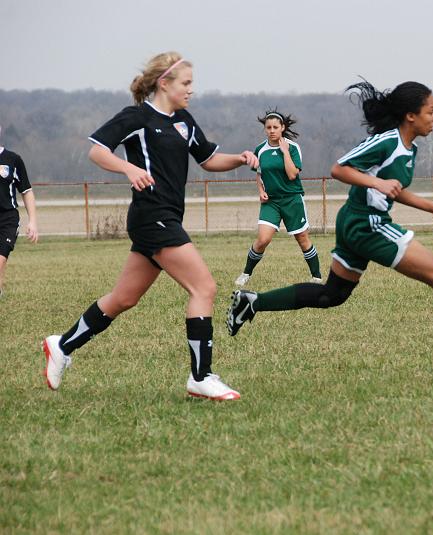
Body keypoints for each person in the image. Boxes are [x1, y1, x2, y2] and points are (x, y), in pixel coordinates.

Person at [226, 80, 433, 375]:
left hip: (357, 222)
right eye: (431, 111)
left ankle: (252, 302)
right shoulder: (388, 141)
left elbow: (395, 190)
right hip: (368, 223)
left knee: (332, 295)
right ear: (410, 115)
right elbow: (339, 169)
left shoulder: (408, 149)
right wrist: (377, 182)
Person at [42, 51, 259, 400]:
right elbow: (97, 150)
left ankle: (62, 345)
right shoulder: (137, 118)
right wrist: (128, 169)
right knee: (203, 288)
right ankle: (200, 377)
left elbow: (207, 159)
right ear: (164, 83)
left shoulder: (184, 120)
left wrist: (240, 158)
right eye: (186, 83)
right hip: (151, 215)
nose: (191, 90)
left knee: (123, 298)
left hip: (165, 216)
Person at [234, 110, 322, 287]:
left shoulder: (293, 148)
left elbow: (292, 175)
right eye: (268, 127)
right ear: (265, 129)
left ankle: (317, 278)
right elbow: (259, 174)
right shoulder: (260, 150)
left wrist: (285, 152)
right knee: (263, 240)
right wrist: (260, 190)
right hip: (271, 202)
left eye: (275, 127)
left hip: (292, 199)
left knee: (302, 239)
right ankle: (245, 274)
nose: (272, 130)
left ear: (282, 127)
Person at [0, 126, 39, 298]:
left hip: (7, 219)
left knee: (0, 260)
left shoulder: (13, 160)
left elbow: (27, 191)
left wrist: (33, 222)